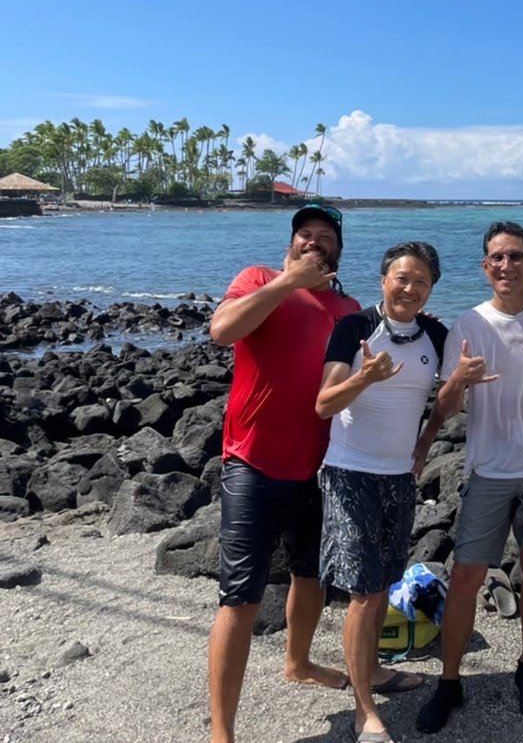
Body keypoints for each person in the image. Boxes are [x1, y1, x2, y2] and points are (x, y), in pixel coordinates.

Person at [206, 203, 360, 743]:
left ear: (339, 251)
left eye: (325, 238)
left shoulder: (349, 308)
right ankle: (222, 733)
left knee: (310, 575)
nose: (314, 243)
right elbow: (222, 330)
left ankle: (298, 662)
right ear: (291, 244)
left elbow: (353, 386)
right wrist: (288, 283)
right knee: (241, 599)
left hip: (319, 466)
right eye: (305, 235)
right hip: (251, 461)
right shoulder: (258, 279)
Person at [414, 221, 523, 734]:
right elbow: (446, 408)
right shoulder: (468, 324)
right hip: (488, 470)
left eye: (516, 256)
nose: (506, 266)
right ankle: (449, 683)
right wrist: (459, 382)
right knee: (468, 577)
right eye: (496, 258)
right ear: (484, 267)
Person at [316, 241, 449, 743]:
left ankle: (371, 670)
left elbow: (450, 392)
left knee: (382, 583)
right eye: (401, 277)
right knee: (365, 593)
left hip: (399, 478)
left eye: (420, 281)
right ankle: (364, 707)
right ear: (383, 280)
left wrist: (426, 442)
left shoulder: (435, 332)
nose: (409, 288)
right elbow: (324, 404)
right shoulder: (353, 329)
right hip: (350, 472)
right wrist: (364, 377)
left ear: (430, 289)